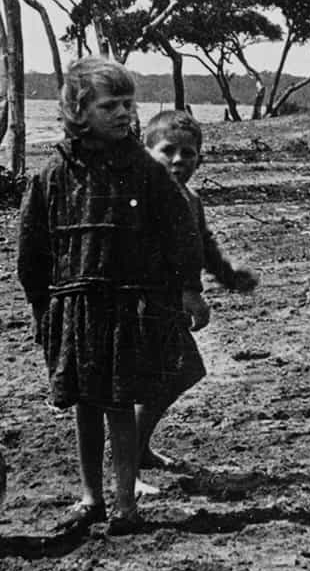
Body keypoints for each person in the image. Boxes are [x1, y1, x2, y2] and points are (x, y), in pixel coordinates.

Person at [17, 57, 205, 536]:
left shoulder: (145, 170)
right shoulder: (52, 174)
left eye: (129, 103)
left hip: (126, 307)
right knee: (84, 404)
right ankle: (90, 497)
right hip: (74, 306)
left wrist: (187, 290)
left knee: (119, 405)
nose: (124, 113)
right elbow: (32, 248)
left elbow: (181, 233)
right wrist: (42, 308)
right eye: (111, 105)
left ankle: (125, 503)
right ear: (79, 109)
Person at [137, 108, 259, 471]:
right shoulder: (144, 200)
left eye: (187, 153)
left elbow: (201, 245)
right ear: (147, 153)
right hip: (145, 302)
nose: (178, 160)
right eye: (167, 150)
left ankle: (137, 449)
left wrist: (227, 275)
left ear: (200, 159)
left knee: (180, 372)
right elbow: (149, 254)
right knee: (165, 375)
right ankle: (129, 455)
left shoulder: (190, 199)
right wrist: (187, 292)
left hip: (167, 304)